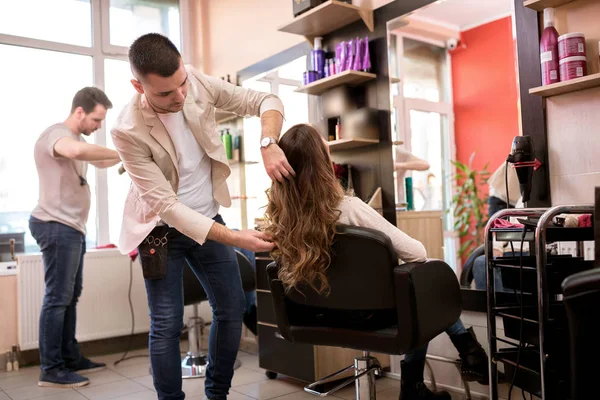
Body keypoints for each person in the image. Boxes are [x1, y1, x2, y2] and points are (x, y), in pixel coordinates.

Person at [111, 33, 292, 400]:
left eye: (181, 84)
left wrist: (268, 142)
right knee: (165, 324)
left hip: (208, 213)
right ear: (138, 86)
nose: (179, 97)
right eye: (165, 94)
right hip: (159, 231)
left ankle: (217, 394)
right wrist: (238, 238)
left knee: (232, 307)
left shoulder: (193, 82)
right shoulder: (126, 129)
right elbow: (169, 208)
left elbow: (267, 100)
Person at [264, 124, 489, 399]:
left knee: (416, 285)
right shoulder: (349, 208)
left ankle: (456, 357)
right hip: (369, 315)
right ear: (323, 163)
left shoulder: (280, 219)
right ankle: (450, 360)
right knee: (421, 283)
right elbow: (416, 252)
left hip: (319, 315)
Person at [29, 87, 121, 387]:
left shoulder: (78, 140)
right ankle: (51, 369)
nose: (98, 126)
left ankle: (69, 357)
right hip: (56, 225)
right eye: (96, 119)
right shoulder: (56, 135)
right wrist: (119, 152)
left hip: (72, 229)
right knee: (57, 298)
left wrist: (130, 155)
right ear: (79, 111)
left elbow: (100, 161)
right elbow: (76, 152)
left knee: (69, 296)